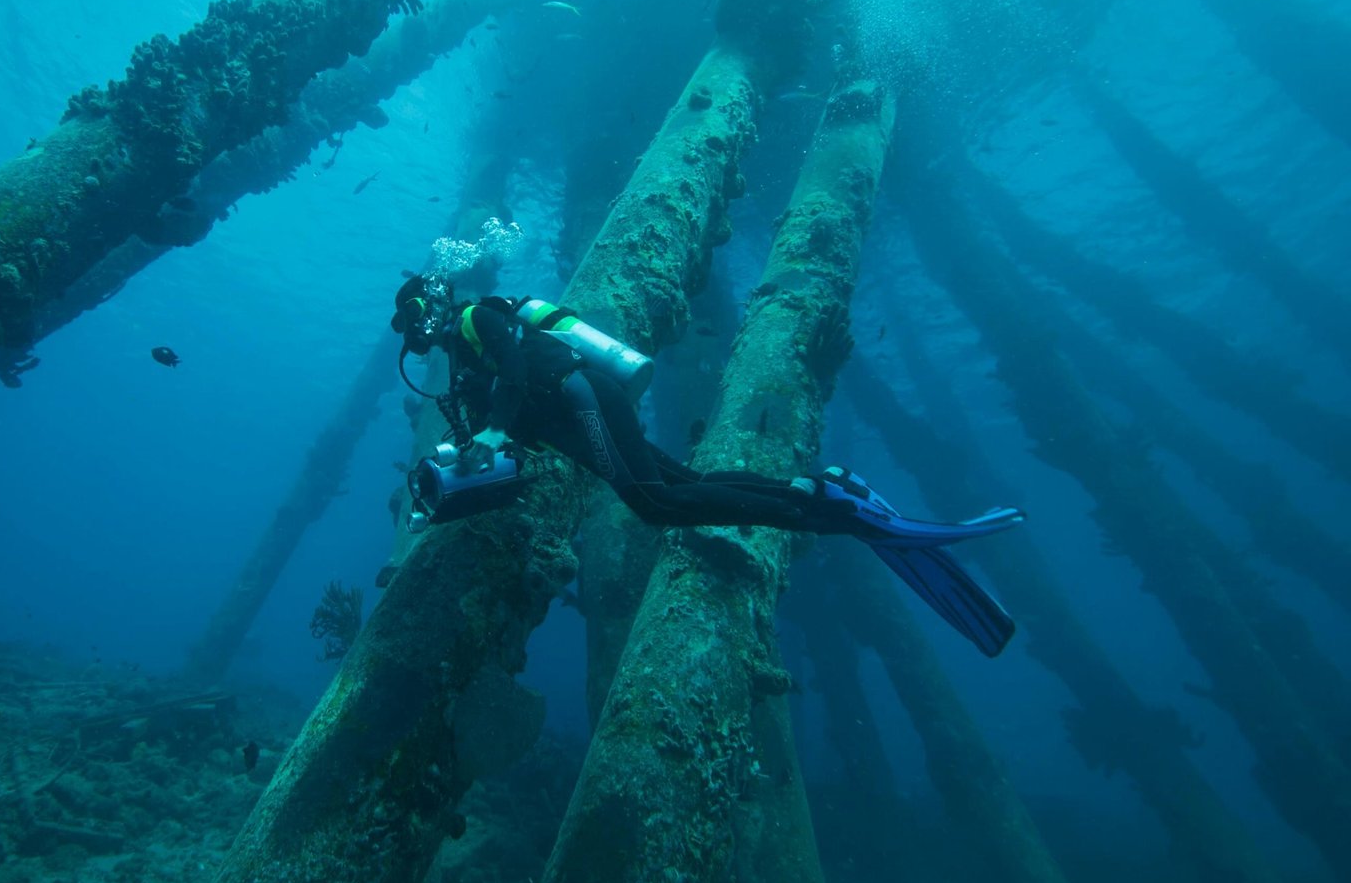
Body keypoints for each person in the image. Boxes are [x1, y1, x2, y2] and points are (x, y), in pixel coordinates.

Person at [390, 275, 1025, 655]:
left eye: (412, 317)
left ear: (431, 306)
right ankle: (811, 488)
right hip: (580, 418)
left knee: (655, 504)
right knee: (682, 485)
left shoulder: (477, 319)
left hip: (584, 397)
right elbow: (503, 435)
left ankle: (830, 514)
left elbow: (518, 367)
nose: (412, 334)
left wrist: (496, 427)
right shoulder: (465, 372)